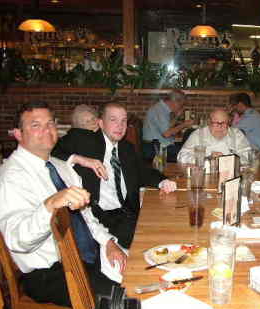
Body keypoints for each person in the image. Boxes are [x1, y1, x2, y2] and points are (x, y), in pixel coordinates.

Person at [0, 101, 126, 307]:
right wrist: (50, 205)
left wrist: (108, 242)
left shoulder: (62, 167)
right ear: (18, 134)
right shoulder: (11, 177)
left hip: (87, 256)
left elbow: (86, 217)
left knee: (142, 275)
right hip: (48, 272)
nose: (46, 130)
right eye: (35, 125)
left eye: (50, 123)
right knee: (122, 303)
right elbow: (17, 240)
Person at [52, 101, 176, 248]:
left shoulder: (126, 148)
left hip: (129, 213)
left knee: (168, 227)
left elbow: (143, 171)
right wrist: (80, 159)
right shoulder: (83, 140)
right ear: (101, 123)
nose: (120, 126)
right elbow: (52, 150)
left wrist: (163, 182)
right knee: (151, 242)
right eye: (113, 120)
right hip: (100, 216)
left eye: (123, 121)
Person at [177, 108, 251, 164]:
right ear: (209, 123)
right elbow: (181, 156)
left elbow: (249, 156)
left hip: (231, 176)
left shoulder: (237, 134)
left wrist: (228, 159)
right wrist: (206, 159)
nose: (220, 126)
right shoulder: (198, 134)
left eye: (223, 123)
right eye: (216, 123)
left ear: (228, 123)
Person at [142, 90, 194, 162]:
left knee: (186, 149)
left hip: (160, 145)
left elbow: (168, 127)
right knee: (188, 154)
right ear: (175, 102)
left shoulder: (162, 109)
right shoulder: (159, 110)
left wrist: (177, 116)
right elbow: (166, 134)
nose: (181, 107)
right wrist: (184, 124)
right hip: (154, 148)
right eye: (181, 105)